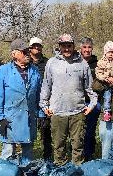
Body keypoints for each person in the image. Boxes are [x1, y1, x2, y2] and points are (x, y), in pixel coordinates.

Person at [39, 34, 97, 165]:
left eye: (69, 46)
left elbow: (90, 88)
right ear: (59, 47)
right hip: (57, 113)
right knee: (59, 146)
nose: (67, 49)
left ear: (73, 46)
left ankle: (78, 173)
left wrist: (91, 104)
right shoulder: (51, 63)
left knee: (78, 146)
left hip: (77, 112)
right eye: (64, 46)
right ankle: (60, 172)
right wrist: (44, 106)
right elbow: (46, 86)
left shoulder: (82, 63)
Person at [0, 39, 45, 165]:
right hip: (9, 119)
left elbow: (38, 95)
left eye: (27, 51)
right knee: (8, 152)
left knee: (28, 152)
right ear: (14, 54)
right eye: (23, 51)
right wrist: (0, 118)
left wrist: (41, 115)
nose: (27, 53)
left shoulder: (35, 71)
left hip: (29, 118)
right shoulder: (3, 71)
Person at [29, 36, 52, 161]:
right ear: (30, 48)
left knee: (46, 132)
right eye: (34, 46)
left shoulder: (48, 62)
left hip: (45, 102)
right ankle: (29, 157)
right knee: (29, 130)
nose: (36, 48)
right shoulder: (25, 62)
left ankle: (47, 158)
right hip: (30, 102)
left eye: (38, 45)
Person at [79, 37, 100, 161]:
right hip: (77, 101)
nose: (87, 50)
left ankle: (89, 154)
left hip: (92, 102)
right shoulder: (75, 62)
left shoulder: (97, 64)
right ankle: (77, 154)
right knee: (77, 130)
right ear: (80, 49)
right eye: (84, 47)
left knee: (90, 131)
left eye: (89, 47)